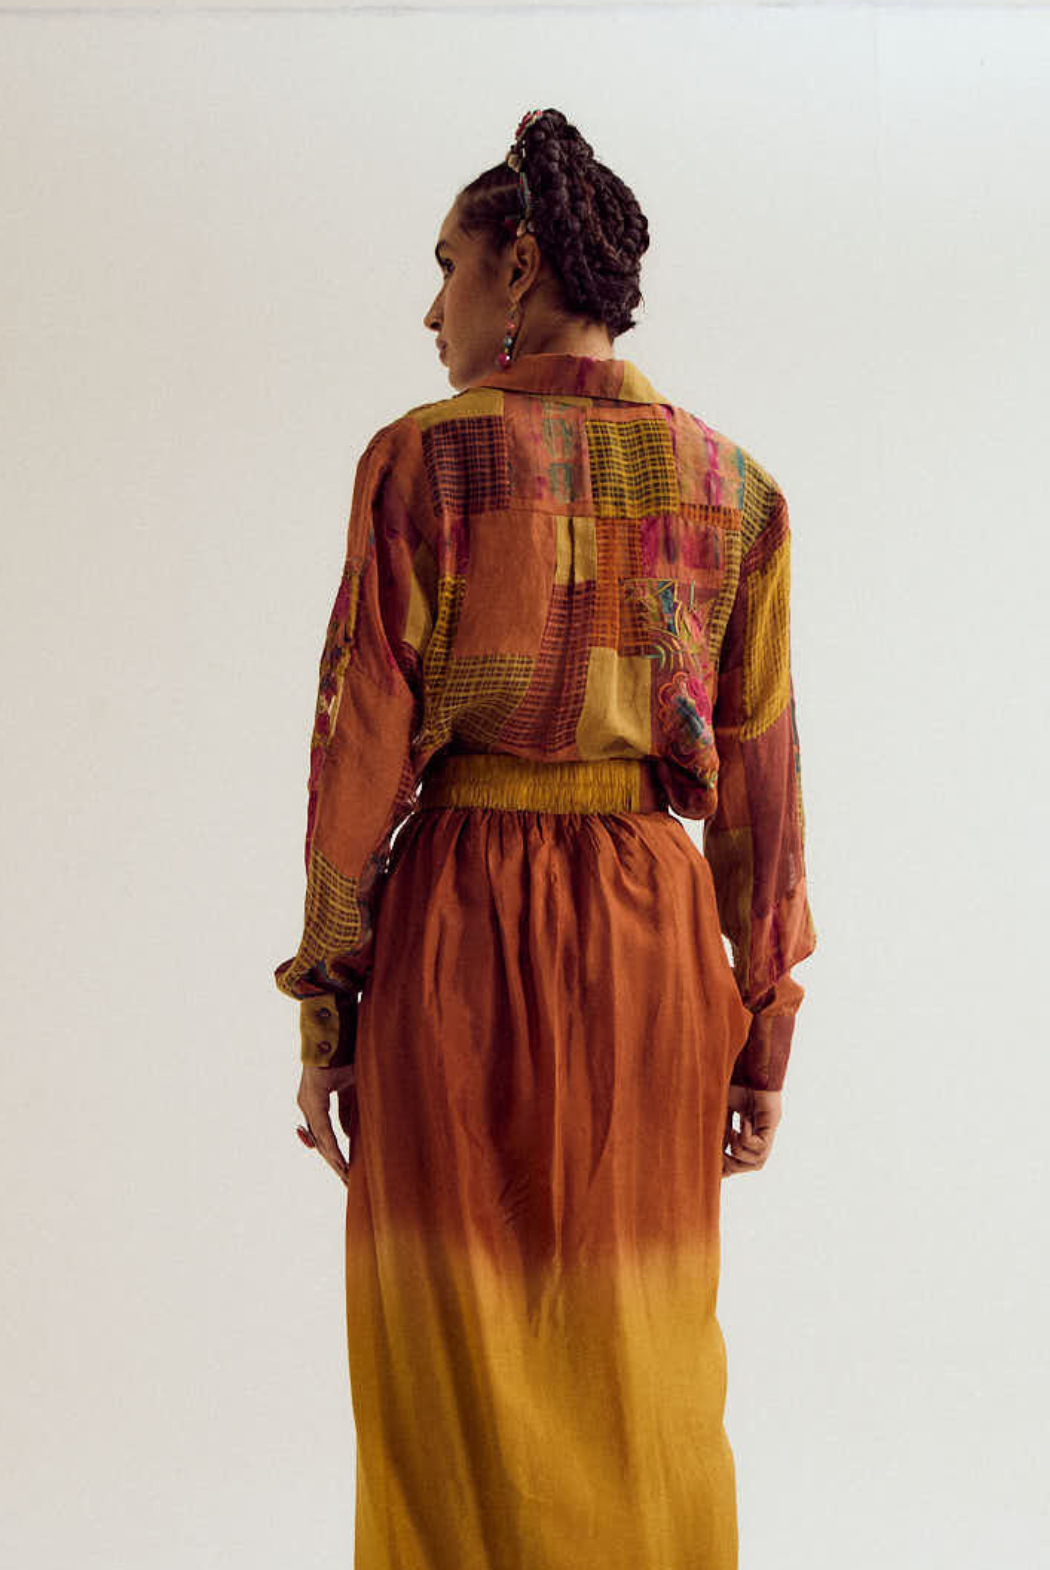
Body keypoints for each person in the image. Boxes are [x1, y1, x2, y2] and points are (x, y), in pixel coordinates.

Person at [274, 106, 816, 1570]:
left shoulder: (421, 464)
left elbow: (356, 756)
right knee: (642, 1357)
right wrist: (762, 1026)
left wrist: (327, 1006)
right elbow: (763, 790)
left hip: (457, 926)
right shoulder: (735, 489)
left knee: (445, 1362)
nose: (432, 307)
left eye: (445, 265)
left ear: (517, 267)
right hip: (651, 947)